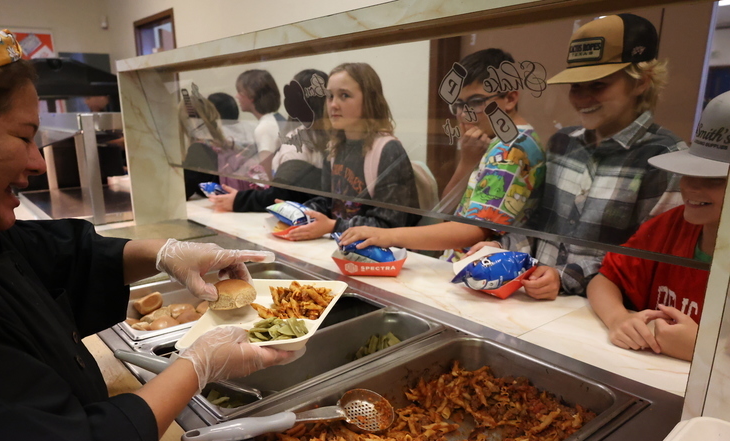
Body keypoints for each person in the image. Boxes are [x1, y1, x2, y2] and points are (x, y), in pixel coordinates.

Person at [0, 6, 301, 441]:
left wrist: (164, 253)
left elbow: (51, 254)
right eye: (22, 137)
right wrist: (196, 366)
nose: (37, 161)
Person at [470, 14, 686, 300]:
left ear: (641, 82)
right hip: (536, 298)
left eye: (598, 85)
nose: (582, 98)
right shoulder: (563, 143)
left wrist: (564, 277)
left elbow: (645, 260)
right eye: (576, 86)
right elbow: (538, 223)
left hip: (606, 310)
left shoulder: (664, 157)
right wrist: (503, 248)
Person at [338, 49, 545, 256]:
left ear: (510, 99)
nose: (464, 114)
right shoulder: (494, 142)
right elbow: (446, 211)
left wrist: (388, 236)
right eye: (459, 105)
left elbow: (473, 229)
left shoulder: (511, 149)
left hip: (476, 267)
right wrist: (467, 161)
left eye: (476, 102)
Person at [587, 90, 730, 361]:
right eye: (689, 172)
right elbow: (604, 280)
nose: (691, 186)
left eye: (715, 179)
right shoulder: (671, 225)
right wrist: (618, 318)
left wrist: (705, 351)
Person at [287, 62, 421, 240]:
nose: (333, 105)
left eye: (344, 95)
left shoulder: (388, 150)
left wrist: (333, 226)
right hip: (342, 242)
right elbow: (329, 204)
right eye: (330, 96)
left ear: (369, 101)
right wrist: (296, 212)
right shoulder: (333, 148)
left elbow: (389, 225)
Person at [209, 69, 330, 212]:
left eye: (240, 92)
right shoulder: (325, 135)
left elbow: (273, 185)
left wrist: (240, 200)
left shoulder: (283, 133)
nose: (237, 96)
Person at [235, 69, 288, 179]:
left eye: (240, 92)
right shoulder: (276, 118)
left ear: (251, 95)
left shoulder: (265, 127)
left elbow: (267, 176)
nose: (237, 96)